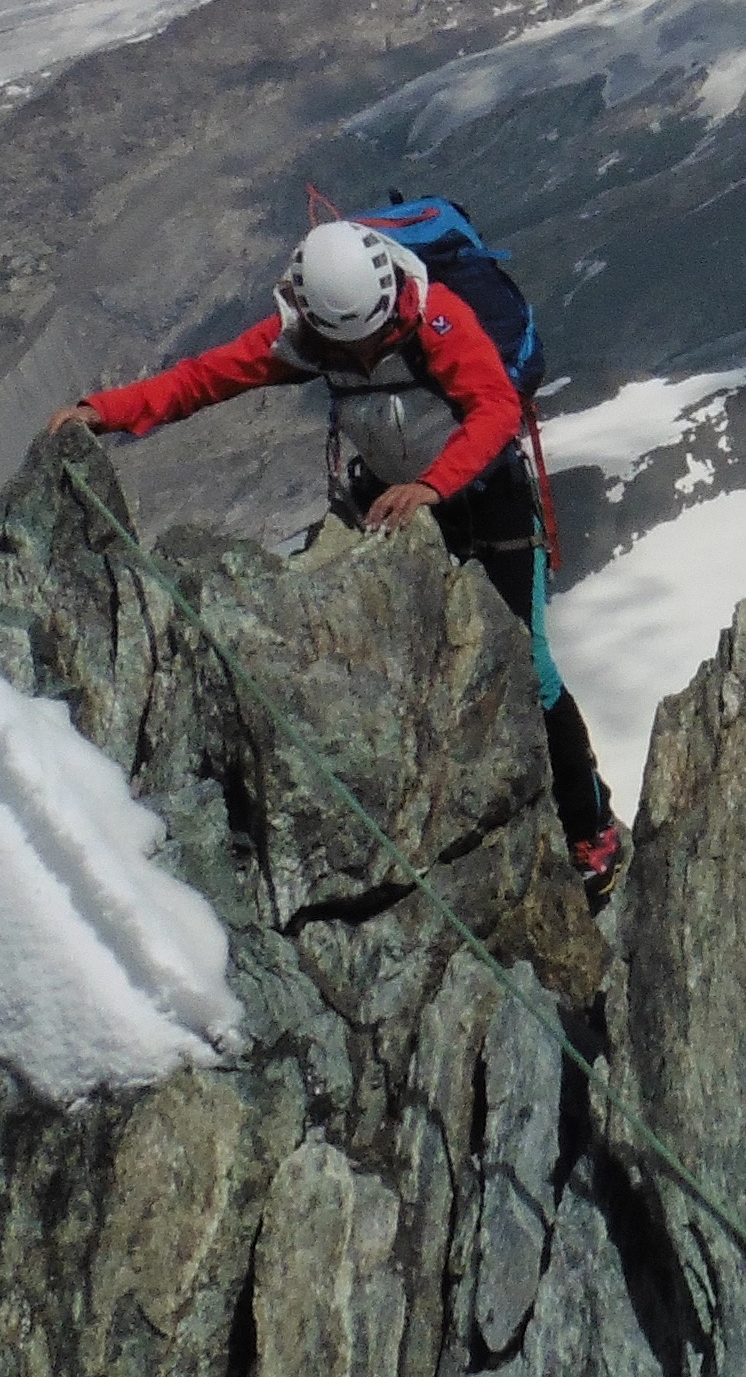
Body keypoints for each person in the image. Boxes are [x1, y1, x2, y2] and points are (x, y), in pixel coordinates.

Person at [51, 217, 625, 903]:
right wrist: (103, 411)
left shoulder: (434, 316)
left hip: (487, 502)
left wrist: (431, 485)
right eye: (356, 342)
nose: (371, 349)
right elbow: (205, 379)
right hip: (397, 505)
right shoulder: (305, 336)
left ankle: (591, 828)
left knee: (532, 669)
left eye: (379, 334)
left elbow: (495, 408)